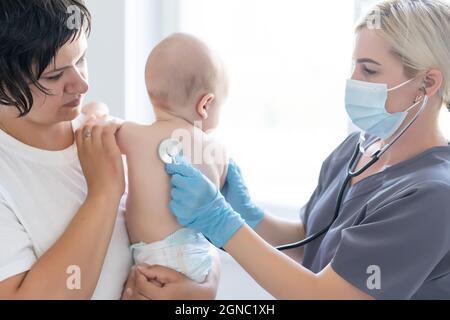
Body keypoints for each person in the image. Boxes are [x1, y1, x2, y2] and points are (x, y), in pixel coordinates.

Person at [163, 0, 450, 299]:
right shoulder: (357, 148)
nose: (353, 81)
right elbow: (312, 242)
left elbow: (326, 294)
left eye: (369, 70)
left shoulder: (433, 196)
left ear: (428, 82)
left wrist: (222, 222)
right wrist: (249, 216)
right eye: (354, 66)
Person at [0, 0, 219, 300]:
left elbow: (188, 229)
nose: (82, 84)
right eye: (54, 76)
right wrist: (104, 193)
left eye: (81, 59)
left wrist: (202, 285)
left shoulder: (99, 132)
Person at [116, 33, 228, 284]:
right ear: (206, 104)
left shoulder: (136, 136)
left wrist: (95, 111)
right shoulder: (218, 149)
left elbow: (97, 130)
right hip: (198, 257)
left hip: (152, 258)